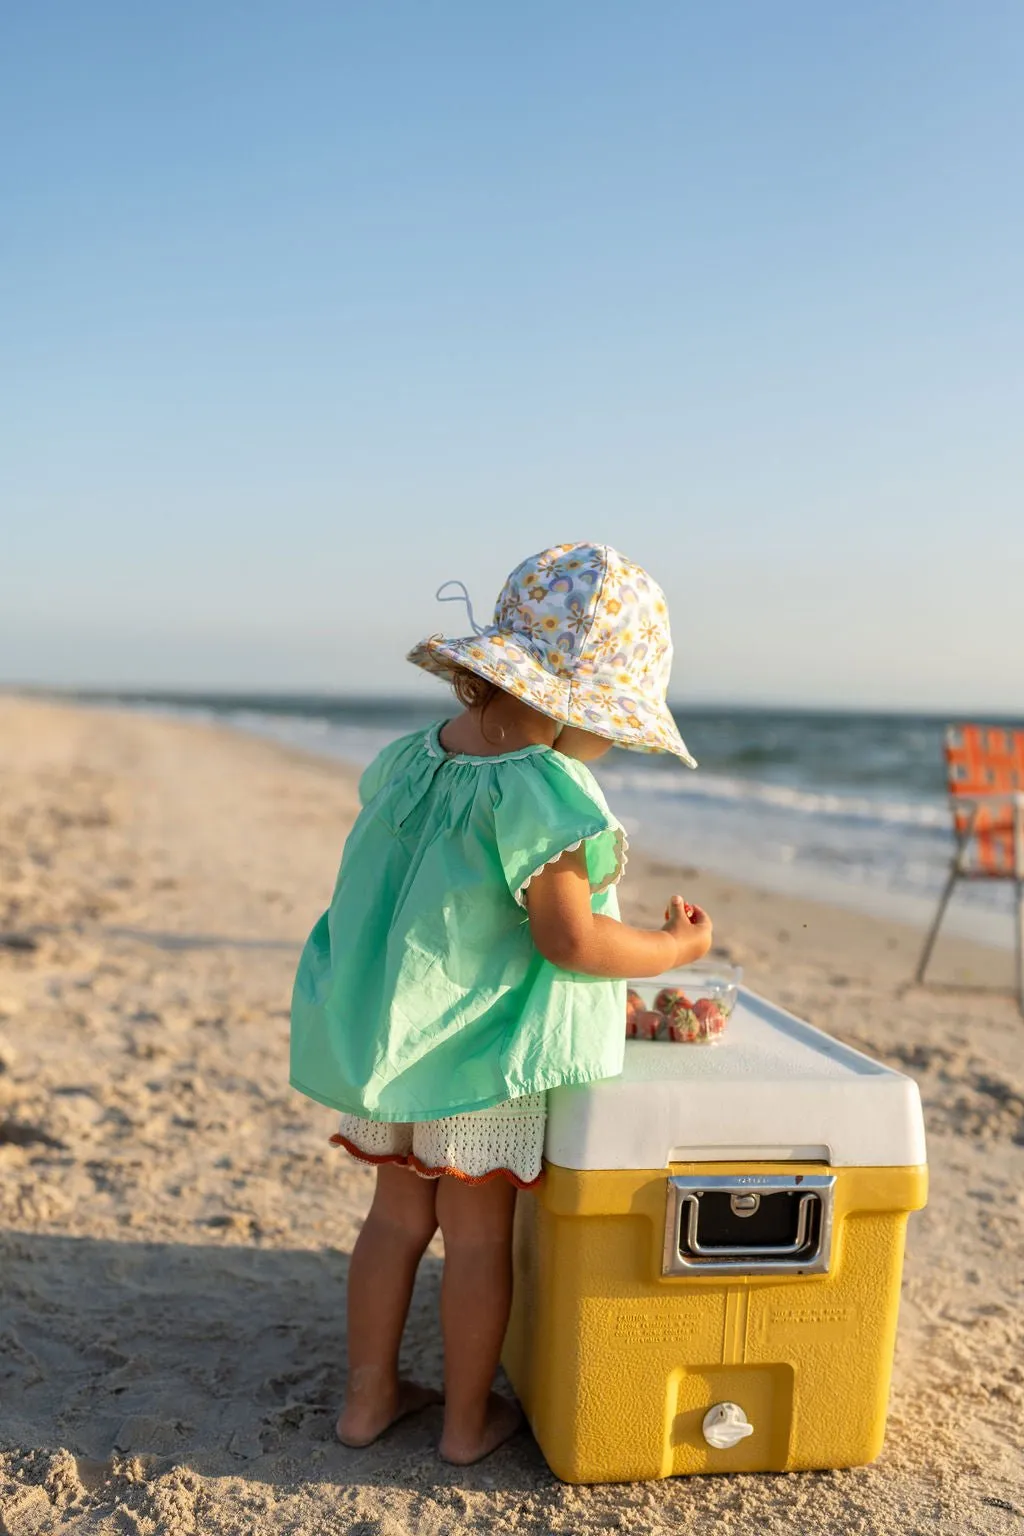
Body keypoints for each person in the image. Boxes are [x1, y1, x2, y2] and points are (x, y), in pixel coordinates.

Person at [290, 542, 713, 1464]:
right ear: (577, 708)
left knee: (395, 1222)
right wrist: (673, 948)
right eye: (613, 726)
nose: (611, 747)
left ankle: (367, 1401)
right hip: (483, 1051)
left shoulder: (411, 758)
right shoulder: (547, 786)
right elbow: (568, 940)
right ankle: (465, 1423)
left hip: (392, 1037)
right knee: (477, 1238)